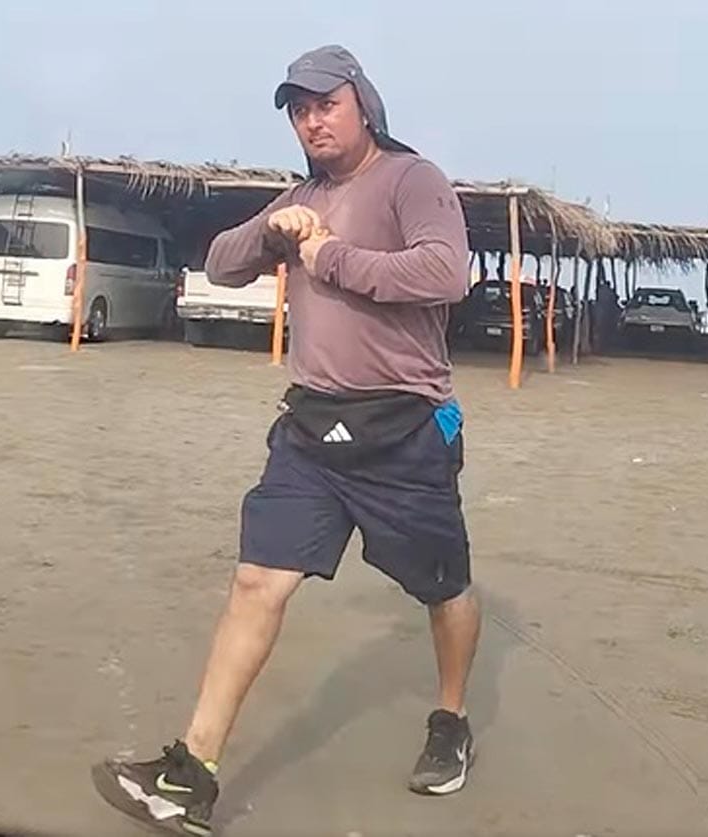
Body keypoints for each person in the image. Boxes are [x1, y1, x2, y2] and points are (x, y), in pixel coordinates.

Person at [91, 44, 481, 836]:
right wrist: (274, 231)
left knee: (444, 586)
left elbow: (446, 274)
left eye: (325, 104)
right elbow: (220, 264)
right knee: (256, 580)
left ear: (363, 104)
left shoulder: (413, 179)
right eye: (299, 111)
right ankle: (192, 772)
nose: (312, 121)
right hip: (309, 430)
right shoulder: (299, 196)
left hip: (404, 427)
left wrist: (330, 256)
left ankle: (451, 717)